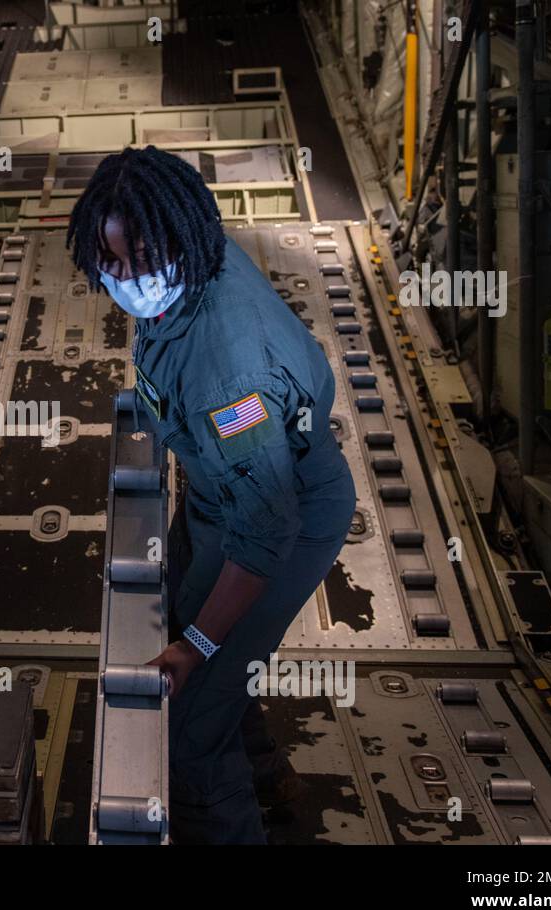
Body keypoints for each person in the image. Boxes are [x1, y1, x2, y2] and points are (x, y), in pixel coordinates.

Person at [67, 146, 356, 844]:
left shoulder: (230, 378)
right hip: (220, 490)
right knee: (211, 658)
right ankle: (263, 775)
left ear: (175, 239)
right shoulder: (193, 251)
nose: (127, 279)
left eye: (138, 257)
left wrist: (195, 646)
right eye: (110, 261)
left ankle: (228, 810)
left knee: (191, 717)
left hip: (278, 521)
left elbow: (265, 531)